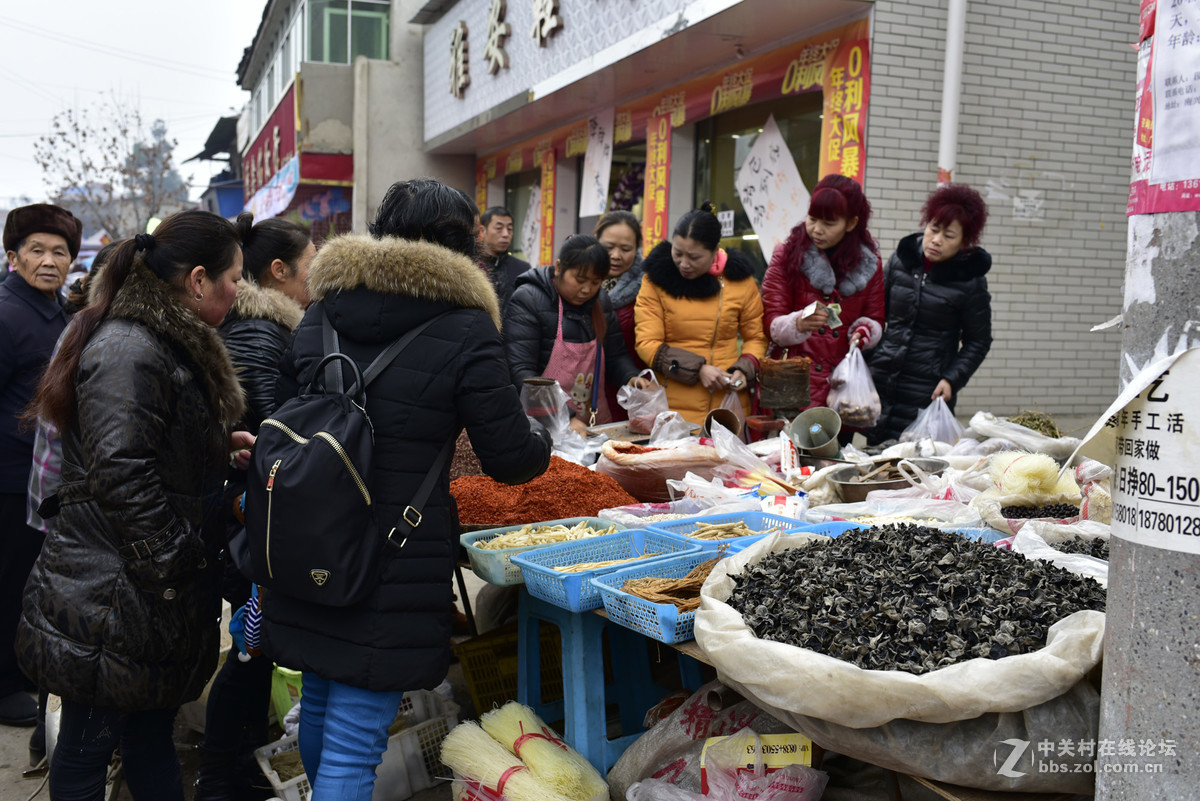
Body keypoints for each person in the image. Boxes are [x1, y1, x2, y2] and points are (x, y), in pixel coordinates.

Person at [262, 178, 551, 800]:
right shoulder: (468, 327)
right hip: (397, 547)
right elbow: (508, 458)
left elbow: (292, 409)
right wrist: (541, 437)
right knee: (355, 736)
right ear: (458, 244)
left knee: (319, 695)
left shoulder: (321, 310)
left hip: (313, 534)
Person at [17, 210, 253, 800]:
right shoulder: (130, 345)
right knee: (86, 749)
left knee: (149, 735)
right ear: (198, 280)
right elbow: (119, 471)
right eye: (235, 277)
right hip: (114, 592)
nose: (239, 291)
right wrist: (174, 560)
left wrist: (216, 447)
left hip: (141, 588)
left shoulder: (164, 340)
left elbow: (146, 441)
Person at [196, 216, 314, 801]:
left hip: (249, 506)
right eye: (308, 270)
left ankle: (233, 765)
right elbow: (270, 427)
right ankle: (220, 775)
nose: (312, 283)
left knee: (255, 644)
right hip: (249, 511)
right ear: (279, 271)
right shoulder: (259, 330)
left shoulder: (262, 324)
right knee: (250, 646)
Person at [24, 241, 118, 767]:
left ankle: (47, 736)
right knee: (71, 637)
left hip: (60, 507)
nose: (49, 260)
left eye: (58, 251)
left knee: (63, 631)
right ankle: (52, 738)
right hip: (76, 514)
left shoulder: (77, 329)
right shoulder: (100, 338)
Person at [0, 203, 81, 729]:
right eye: (37, 250)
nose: (49, 261)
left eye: (59, 251)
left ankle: (17, 668)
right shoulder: (6, 314)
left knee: (28, 579)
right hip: (7, 474)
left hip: (39, 475)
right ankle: (3, 684)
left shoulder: (57, 311)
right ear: (13, 257)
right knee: (7, 579)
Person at [866, 184, 993, 443]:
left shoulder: (970, 282)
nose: (936, 240)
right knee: (874, 457)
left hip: (929, 386)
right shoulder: (901, 262)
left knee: (915, 462)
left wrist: (951, 379)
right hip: (884, 377)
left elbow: (978, 341)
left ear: (964, 242)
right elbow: (877, 313)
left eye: (949, 236)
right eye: (933, 229)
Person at [760, 175, 885, 417]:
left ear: (851, 224)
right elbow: (771, 319)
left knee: (838, 452)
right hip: (792, 384)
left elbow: (875, 316)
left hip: (843, 388)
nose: (817, 229)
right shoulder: (787, 255)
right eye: (812, 218)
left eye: (828, 223)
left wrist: (864, 333)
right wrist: (797, 324)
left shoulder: (870, 264)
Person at [635, 204, 768, 426]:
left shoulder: (740, 281)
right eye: (677, 253)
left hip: (729, 405)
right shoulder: (655, 281)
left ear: (716, 251)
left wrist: (745, 368)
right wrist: (698, 369)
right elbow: (647, 343)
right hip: (673, 408)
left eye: (694, 257)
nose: (684, 264)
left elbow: (756, 337)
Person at [504, 234, 643, 432]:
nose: (587, 289)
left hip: (592, 421)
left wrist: (632, 379)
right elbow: (520, 371)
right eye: (580, 280)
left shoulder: (600, 301)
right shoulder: (529, 299)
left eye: (596, 282)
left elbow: (615, 355)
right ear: (559, 268)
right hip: (541, 425)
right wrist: (565, 417)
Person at [595, 211, 645, 419]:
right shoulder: (576, 282)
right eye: (609, 247)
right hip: (583, 388)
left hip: (631, 388)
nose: (616, 255)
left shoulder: (647, 287)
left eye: (626, 249)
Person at [479, 206, 531, 314]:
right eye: (499, 228)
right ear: (482, 231)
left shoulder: (523, 269)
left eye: (510, 229)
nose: (505, 234)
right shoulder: (470, 264)